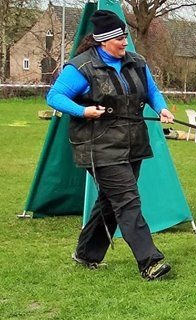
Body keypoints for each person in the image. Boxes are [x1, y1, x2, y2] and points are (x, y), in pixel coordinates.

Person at [47, 10, 174, 281]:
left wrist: (162, 109)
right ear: (104, 41)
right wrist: (83, 111)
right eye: (119, 39)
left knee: (110, 200)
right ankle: (150, 262)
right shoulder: (82, 67)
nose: (125, 43)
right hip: (99, 146)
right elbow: (55, 96)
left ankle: (86, 254)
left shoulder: (136, 63)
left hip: (133, 143)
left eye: (125, 37)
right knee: (127, 201)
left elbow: (151, 91)